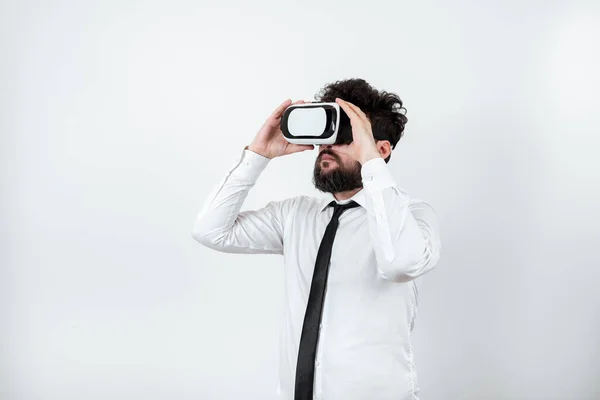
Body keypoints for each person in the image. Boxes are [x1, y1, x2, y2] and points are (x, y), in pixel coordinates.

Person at [191, 78, 442, 400]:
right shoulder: (296, 214)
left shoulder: (413, 215)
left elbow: (400, 265)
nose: (327, 146)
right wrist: (257, 155)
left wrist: (372, 165)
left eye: (346, 138)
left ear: (380, 149)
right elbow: (210, 231)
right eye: (327, 136)